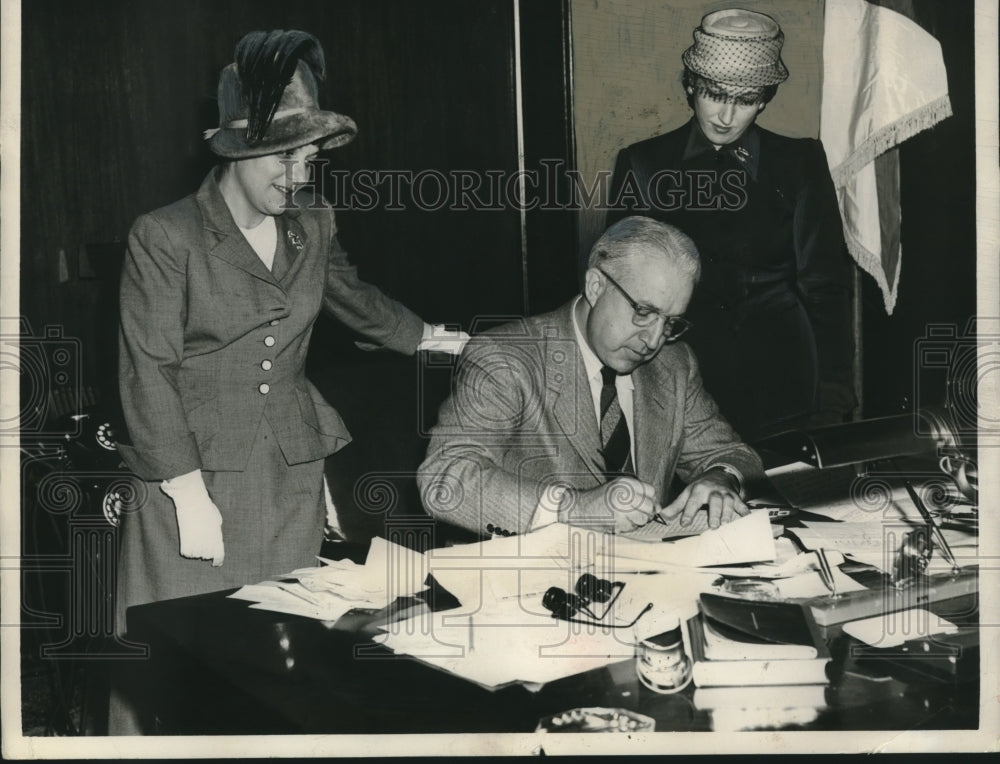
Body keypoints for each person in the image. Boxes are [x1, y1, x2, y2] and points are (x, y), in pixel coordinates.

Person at [116, 30, 467, 631]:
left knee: (285, 647)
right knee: (185, 650)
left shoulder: (313, 220)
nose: (299, 173)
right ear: (235, 148)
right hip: (189, 474)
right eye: (285, 156)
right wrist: (184, 488)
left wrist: (434, 337)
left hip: (288, 469)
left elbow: (354, 299)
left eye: (310, 157)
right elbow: (148, 368)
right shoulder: (166, 235)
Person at [417, 216, 763, 537]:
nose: (654, 340)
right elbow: (446, 479)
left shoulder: (674, 364)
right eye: (644, 312)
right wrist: (574, 508)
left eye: (671, 323)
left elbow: (736, 454)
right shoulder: (506, 358)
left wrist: (722, 477)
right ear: (596, 286)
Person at [607, 8, 855, 442]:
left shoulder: (800, 163)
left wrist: (834, 390)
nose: (726, 115)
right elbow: (619, 288)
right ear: (690, 87)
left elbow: (825, 285)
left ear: (763, 100)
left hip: (785, 375)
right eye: (714, 95)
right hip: (678, 375)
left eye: (744, 101)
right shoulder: (643, 164)